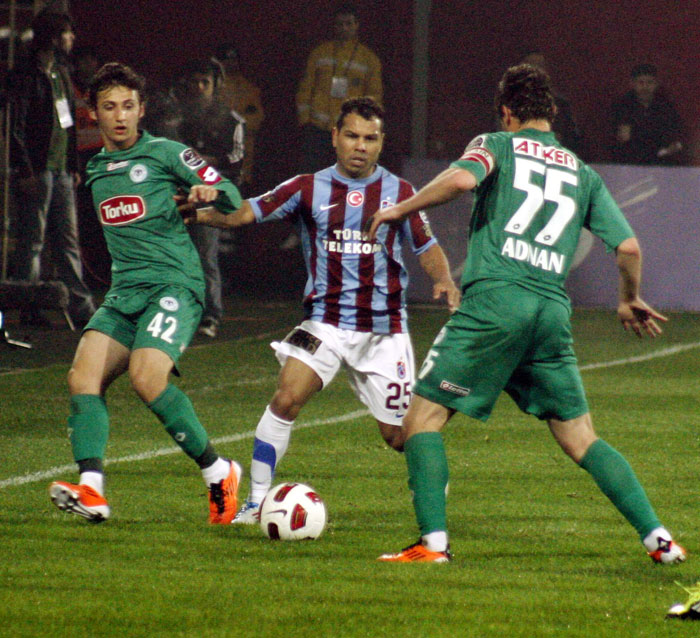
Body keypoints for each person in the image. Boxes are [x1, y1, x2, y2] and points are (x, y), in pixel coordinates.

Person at [367, 64, 686, 564]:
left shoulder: (496, 143)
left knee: (422, 421)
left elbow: (460, 179)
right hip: (550, 313)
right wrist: (628, 298)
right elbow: (628, 247)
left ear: (506, 113)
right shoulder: (581, 172)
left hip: (495, 303)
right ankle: (660, 541)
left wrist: (398, 210)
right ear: (552, 112)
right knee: (581, 438)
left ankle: (433, 545)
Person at [185, 97, 460, 524]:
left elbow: (427, 245)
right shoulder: (306, 188)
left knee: (399, 436)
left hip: (383, 330)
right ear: (334, 137)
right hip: (325, 322)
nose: (360, 146)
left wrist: (444, 279)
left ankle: (434, 478)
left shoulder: (401, 193)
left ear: (381, 142)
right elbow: (246, 212)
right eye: (352, 136)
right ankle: (256, 502)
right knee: (286, 397)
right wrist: (199, 215)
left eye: (370, 138)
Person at [48, 62, 243, 524]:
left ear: (141, 110)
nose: (120, 116)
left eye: (128, 106)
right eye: (109, 107)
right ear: (93, 113)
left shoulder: (166, 153)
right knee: (82, 378)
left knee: (146, 377)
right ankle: (92, 490)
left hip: (174, 284)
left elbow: (231, 194)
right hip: (125, 292)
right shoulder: (95, 167)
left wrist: (207, 193)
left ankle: (218, 472)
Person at [6, 10, 96, 327]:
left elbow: (67, 124)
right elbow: (15, 125)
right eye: (67, 33)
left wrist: (72, 164)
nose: (72, 38)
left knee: (66, 241)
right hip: (38, 168)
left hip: (60, 170)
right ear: (54, 37)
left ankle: (81, 307)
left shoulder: (61, 72)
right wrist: (24, 169)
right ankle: (28, 306)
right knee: (33, 241)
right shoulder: (26, 74)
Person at [176, 57, 245, 338]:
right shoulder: (178, 118)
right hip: (179, 192)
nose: (199, 88)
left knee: (205, 254)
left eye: (205, 82)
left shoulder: (230, 120)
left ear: (216, 85)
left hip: (210, 193)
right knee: (176, 255)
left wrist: (206, 160)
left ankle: (211, 314)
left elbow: (237, 159)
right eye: (194, 82)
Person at [295, 4, 383, 173]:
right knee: (312, 177)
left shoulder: (369, 59)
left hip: (350, 131)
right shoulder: (320, 53)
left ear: (357, 25)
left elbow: (374, 96)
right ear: (334, 26)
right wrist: (305, 121)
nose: (344, 28)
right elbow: (305, 89)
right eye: (340, 24)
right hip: (317, 129)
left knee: (346, 176)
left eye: (348, 24)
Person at [214, 44, 264, 195]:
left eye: (234, 60)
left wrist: (237, 127)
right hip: (217, 155)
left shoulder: (249, 89)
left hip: (243, 157)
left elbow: (257, 119)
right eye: (226, 60)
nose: (231, 64)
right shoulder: (212, 88)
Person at [610, 63, 685, 165]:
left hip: (661, 161)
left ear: (656, 84)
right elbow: (623, 139)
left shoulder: (666, 107)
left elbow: (673, 136)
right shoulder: (622, 107)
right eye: (640, 82)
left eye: (649, 82)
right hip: (630, 162)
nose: (645, 87)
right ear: (632, 83)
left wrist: (674, 145)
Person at [519, 50, 586, 158]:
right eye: (530, 65)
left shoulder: (561, 105)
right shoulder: (508, 103)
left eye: (540, 66)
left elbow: (571, 139)